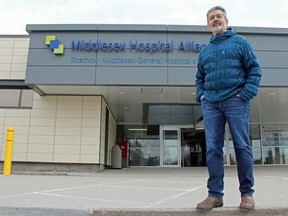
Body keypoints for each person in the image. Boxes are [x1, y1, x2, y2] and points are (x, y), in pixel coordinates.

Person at [195, 6, 262, 211]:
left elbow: (255, 70)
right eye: (211, 18)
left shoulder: (240, 42)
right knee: (213, 149)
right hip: (211, 104)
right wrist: (202, 96)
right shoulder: (205, 51)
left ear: (226, 20)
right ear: (208, 24)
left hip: (236, 100)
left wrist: (244, 95)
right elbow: (199, 78)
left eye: (218, 16)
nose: (215, 20)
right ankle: (215, 195)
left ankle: (247, 194)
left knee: (242, 146)